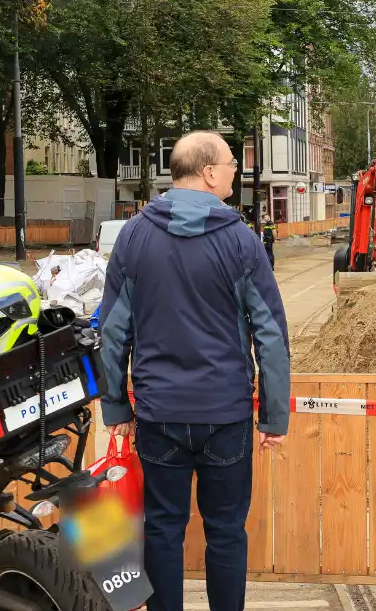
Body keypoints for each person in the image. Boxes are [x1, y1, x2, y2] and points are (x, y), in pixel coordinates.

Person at [98, 130, 291, 611]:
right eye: (229, 164)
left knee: (162, 528)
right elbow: (269, 334)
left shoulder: (134, 236)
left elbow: (112, 331)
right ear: (208, 173)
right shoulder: (241, 242)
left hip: (159, 415)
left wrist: (115, 406)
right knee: (226, 531)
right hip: (224, 416)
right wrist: (273, 418)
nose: (233, 171)